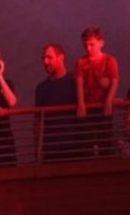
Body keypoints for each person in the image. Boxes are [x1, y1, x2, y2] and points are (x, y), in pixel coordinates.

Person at [75, 26, 119, 158]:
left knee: (105, 141)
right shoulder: (81, 62)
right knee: (86, 143)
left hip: (103, 108)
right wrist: (81, 104)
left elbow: (115, 81)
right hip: (88, 108)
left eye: (91, 44)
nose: (88, 48)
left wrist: (108, 100)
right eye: (85, 45)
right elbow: (79, 83)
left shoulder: (109, 60)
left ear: (101, 43)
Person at [34, 43, 79, 162]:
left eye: (49, 57)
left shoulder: (75, 82)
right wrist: (38, 150)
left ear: (61, 57)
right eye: (43, 58)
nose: (45, 62)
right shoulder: (42, 88)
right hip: (51, 149)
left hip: (75, 146)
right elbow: (38, 121)